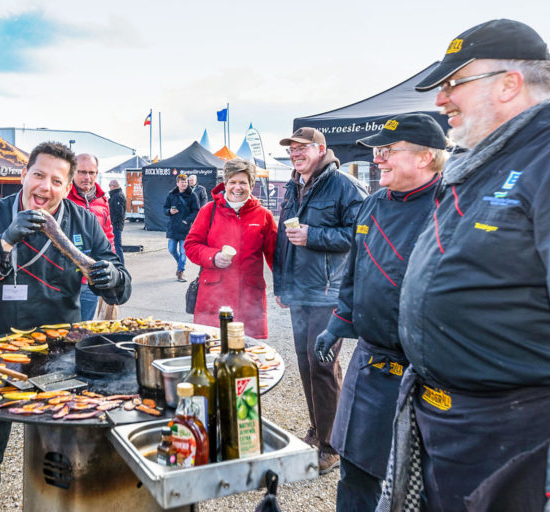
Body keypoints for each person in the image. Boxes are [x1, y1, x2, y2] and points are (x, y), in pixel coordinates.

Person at [377, 19, 550, 512]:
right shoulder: (489, 161)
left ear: (509, 83)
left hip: (523, 443)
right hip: (456, 435)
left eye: (453, 84)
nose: (441, 100)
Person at [0, 141, 131, 512]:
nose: (45, 187)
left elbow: (121, 282)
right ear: (24, 175)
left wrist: (110, 276)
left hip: (60, 359)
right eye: (38, 175)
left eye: (56, 181)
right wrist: (3, 241)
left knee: (63, 455)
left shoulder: (84, 221)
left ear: (67, 187)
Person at [313, 115, 447, 511]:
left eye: (388, 151)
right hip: (371, 362)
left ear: (425, 157)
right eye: (377, 151)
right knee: (355, 470)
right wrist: (337, 324)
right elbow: (354, 273)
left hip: (422, 370)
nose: (378, 159)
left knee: (418, 481)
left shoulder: (450, 206)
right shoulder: (371, 204)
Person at [273, 127, 367, 474]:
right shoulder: (294, 186)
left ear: (321, 149)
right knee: (305, 364)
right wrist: (281, 286)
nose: (295, 154)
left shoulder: (344, 185)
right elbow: (284, 240)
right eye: (291, 149)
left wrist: (314, 235)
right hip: (299, 292)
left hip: (330, 292)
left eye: (302, 148)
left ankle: (331, 444)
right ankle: (317, 430)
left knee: (324, 365)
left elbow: (360, 233)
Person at [184, 158, 277, 338]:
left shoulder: (264, 216)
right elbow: (191, 245)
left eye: (243, 182)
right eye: (232, 182)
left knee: (246, 354)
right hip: (213, 296)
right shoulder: (208, 211)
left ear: (251, 184)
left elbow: (277, 257)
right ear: (225, 184)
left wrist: (284, 289)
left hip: (249, 299)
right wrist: (213, 256)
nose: (237, 187)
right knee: (212, 350)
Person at [67, 153, 115, 321]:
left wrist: (113, 267)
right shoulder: (63, 197)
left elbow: (108, 235)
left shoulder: (102, 200)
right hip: (65, 280)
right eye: (81, 172)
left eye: (91, 172)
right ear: (72, 172)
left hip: (91, 278)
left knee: (85, 329)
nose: (87, 177)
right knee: (62, 331)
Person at [164, 173, 200, 282]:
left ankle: (180, 272)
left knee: (184, 252)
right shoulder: (171, 195)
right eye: (182, 182)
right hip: (173, 227)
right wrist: (169, 211)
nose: (184, 184)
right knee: (171, 249)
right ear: (177, 183)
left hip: (185, 228)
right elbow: (165, 208)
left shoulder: (192, 195)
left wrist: (187, 220)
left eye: (185, 182)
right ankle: (180, 263)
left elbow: (196, 210)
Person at [108, 179, 126, 264]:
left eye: (110, 186)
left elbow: (119, 212)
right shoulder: (115, 195)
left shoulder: (118, 196)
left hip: (116, 225)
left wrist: (112, 223)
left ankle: (121, 265)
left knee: (117, 246)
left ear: (113, 186)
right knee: (115, 245)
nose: (109, 188)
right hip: (116, 224)